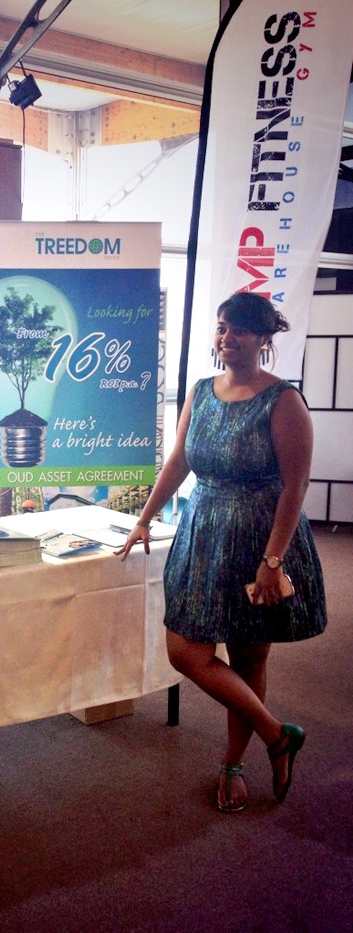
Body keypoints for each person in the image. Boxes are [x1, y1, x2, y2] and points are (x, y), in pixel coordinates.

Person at [120, 291, 327, 812]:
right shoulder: (201, 391)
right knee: (185, 650)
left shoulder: (283, 400)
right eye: (222, 327)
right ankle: (277, 734)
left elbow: (295, 487)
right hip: (203, 532)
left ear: (263, 338)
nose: (227, 337)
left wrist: (273, 561)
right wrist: (145, 518)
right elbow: (178, 461)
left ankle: (234, 764)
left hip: (260, 537)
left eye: (240, 329)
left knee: (248, 655)